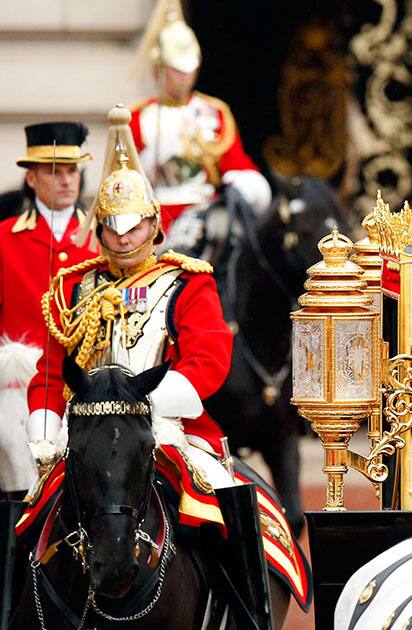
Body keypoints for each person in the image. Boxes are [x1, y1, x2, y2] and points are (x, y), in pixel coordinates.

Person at [20, 106, 310, 614]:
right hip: (84, 427)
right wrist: (45, 425)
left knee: (228, 498)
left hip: (168, 424)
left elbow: (209, 357)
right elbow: (50, 369)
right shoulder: (74, 286)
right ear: (100, 229)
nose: (123, 238)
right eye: (112, 228)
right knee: (28, 511)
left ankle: (248, 613)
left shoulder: (187, 281)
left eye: (134, 227)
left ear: (154, 224)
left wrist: (156, 401)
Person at [129, 0, 271, 236]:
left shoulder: (214, 113)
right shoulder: (138, 117)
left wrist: (247, 185)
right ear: (160, 67)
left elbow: (234, 163)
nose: (184, 76)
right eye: (176, 69)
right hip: (158, 217)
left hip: (207, 214)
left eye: (189, 68)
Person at [0, 123, 96, 351]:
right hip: (19, 373)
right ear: (31, 179)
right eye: (54, 171)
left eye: (72, 171)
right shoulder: (4, 236)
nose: (66, 181)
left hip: (85, 372)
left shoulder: (103, 235)